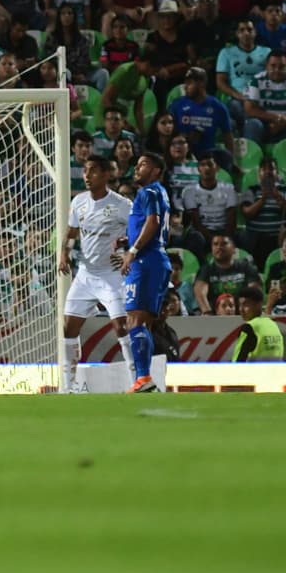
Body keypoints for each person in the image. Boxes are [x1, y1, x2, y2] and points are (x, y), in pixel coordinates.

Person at [57, 155, 135, 393]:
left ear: (105, 174)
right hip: (85, 274)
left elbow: (139, 234)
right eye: (85, 171)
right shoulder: (79, 201)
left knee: (122, 327)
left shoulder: (122, 205)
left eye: (92, 171)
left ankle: (138, 381)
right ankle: (69, 385)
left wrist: (127, 252)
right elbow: (71, 234)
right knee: (69, 327)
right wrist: (64, 255)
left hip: (111, 276)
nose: (86, 176)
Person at [118, 151, 173, 393]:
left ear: (156, 171)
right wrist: (128, 239)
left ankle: (143, 379)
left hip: (145, 262)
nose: (137, 168)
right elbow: (154, 227)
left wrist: (132, 249)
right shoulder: (160, 192)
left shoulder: (148, 191)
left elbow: (153, 223)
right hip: (156, 260)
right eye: (137, 165)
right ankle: (145, 378)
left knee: (134, 320)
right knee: (144, 323)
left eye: (144, 165)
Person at [231, 287, 285, 362]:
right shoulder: (274, 325)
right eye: (240, 305)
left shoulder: (250, 327)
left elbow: (238, 361)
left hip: (254, 373)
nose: (241, 309)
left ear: (258, 305)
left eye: (245, 304)